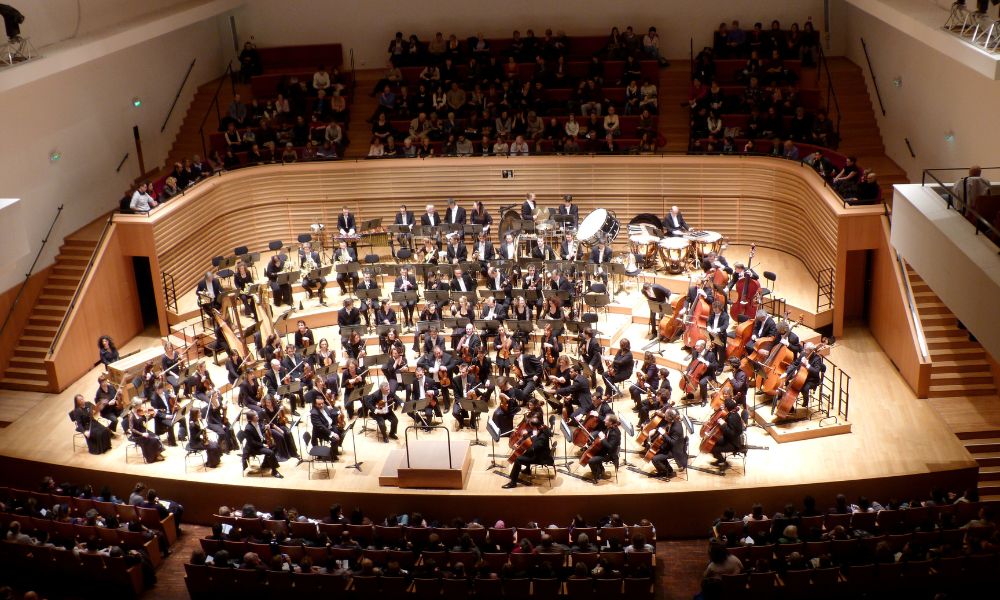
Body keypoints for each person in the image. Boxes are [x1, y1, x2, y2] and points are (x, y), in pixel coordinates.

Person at [503, 414, 553, 488]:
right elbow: (534, 439)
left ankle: (513, 482)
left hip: (541, 457)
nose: (531, 428)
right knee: (524, 454)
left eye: (531, 427)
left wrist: (522, 447)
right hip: (539, 453)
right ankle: (527, 470)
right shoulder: (542, 429)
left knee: (518, 459)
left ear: (535, 427)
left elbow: (533, 449)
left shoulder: (542, 437)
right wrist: (526, 438)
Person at [780, 342, 824, 409]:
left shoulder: (817, 359)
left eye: (806, 350)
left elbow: (816, 372)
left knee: (804, 388)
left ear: (811, 350)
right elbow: (795, 364)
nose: (804, 351)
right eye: (804, 349)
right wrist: (786, 373)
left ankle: (806, 401)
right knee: (789, 384)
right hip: (800, 376)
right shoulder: (803, 354)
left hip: (812, 379)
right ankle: (789, 406)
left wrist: (808, 365)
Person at [243, 411, 283, 478]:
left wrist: (265, 428)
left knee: (274, 446)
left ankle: (265, 464)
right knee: (270, 453)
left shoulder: (257, 423)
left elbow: (259, 432)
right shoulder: (248, 429)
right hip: (253, 447)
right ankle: (274, 471)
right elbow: (251, 442)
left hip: (260, 442)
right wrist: (262, 445)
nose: (257, 416)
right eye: (255, 416)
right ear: (251, 418)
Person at [649, 408, 687, 478]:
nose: (665, 417)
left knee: (654, 458)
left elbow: (673, 443)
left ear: (670, 418)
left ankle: (665, 472)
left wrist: (664, 434)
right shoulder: (675, 421)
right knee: (656, 452)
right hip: (671, 447)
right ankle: (669, 470)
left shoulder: (676, 428)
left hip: (675, 451)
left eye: (666, 416)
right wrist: (656, 430)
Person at [584, 414, 621, 484]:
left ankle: (595, 476)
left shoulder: (615, 433)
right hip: (605, 450)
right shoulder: (609, 427)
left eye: (606, 420)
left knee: (591, 461)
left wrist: (603, 438)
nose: (604, 420)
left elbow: (610, 447)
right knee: (592, 452)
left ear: (610, 422)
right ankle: (600, 469)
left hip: (610, 454)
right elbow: (604, 436)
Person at [710, 398, 745, 469]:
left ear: (727, 408)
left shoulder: (732, 417)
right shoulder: (733, 413)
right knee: (714, 442)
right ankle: (720, 460)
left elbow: (731, 433)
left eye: (725, 406)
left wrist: (723, 425)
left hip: (733, 444)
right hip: (729, 439)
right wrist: (720, 410)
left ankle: (722, 461)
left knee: (713, 448)